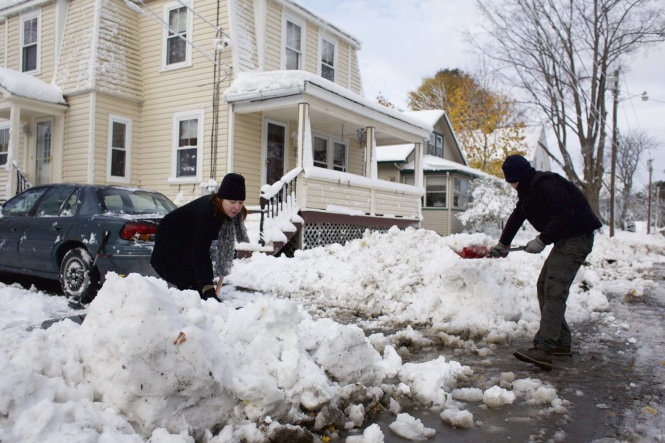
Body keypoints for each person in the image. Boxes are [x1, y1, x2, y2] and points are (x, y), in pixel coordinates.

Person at [490, 155, 601, 371]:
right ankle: (560, 342)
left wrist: (542, 239)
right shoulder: (528, 192)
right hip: (565, 239)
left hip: (577, 238)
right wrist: (503, 244)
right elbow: (517, 216)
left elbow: (564, 214)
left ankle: (544, 348)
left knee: (554, 289)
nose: (511, 185)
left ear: (519, 176)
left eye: (511, 180)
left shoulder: (546, 184)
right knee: (544, 286)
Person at [151, 173, 248, 301]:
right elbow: (200, 253)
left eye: (240, 202)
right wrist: (208, 288)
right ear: (221, 198)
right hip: (169, 241)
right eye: (233, 201)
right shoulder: (208, 213)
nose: (237, 207)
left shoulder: (226, 211)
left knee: (197, 286)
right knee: (190, 286)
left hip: (187, 241)